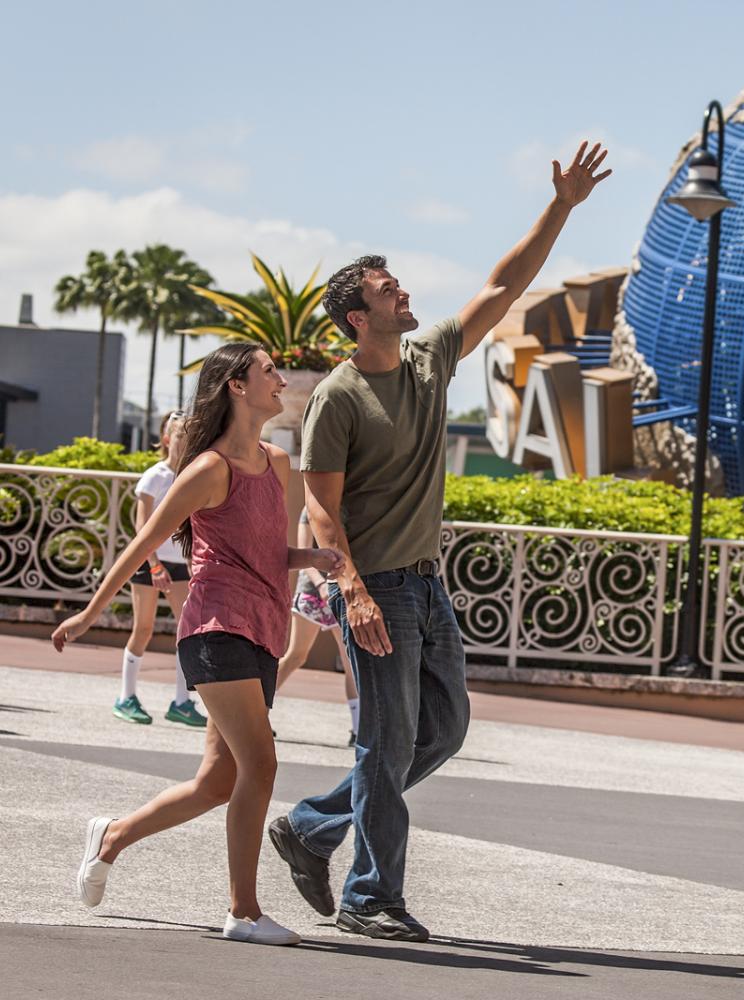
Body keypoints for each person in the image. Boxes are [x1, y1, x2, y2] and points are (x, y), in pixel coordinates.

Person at [269, 141, 611, 942]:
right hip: (377, 586)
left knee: (443, 730)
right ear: (360, 316)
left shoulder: (428, 359)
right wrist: (351, 594)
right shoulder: (340, 399)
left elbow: (502, 286)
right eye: (391, 290)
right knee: (384, 744)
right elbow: (321, 509)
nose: (406, 293)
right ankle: (369, 897)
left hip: (425, 584)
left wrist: (561, 205)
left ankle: (315, 826)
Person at [52, 343, 344, 947]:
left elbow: (266, 552)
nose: (281, 380)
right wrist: (89, 613)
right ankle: (243, 911)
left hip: (263, 631)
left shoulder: (278, 463)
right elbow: (144, 543)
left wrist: (309, 557)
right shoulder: (208, 469)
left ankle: (112, 836)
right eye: (268, 372)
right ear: (236, 386)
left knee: (217, 781)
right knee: (261, 763)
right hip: (215, 630)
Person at [114, 410, 207, 728]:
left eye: (190, 436)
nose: (185, 442)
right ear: (167, 439)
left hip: (178, 563)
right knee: (144, 629)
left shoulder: (191, 477)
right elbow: (142, 525)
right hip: (149, 562)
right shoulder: (154, 475)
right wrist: (153, 565)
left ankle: (181, 702)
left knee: (186, 631)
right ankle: (126, 697)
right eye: (181, 435)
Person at [277, 507, 359, 745]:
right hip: (313, 593)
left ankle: (358, 729)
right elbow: (305, 556)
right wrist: (322, 586)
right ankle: (259, 710)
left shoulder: (350, 506)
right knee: (296, 656)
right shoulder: (309, 510)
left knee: (350, 662)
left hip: (342, 595)